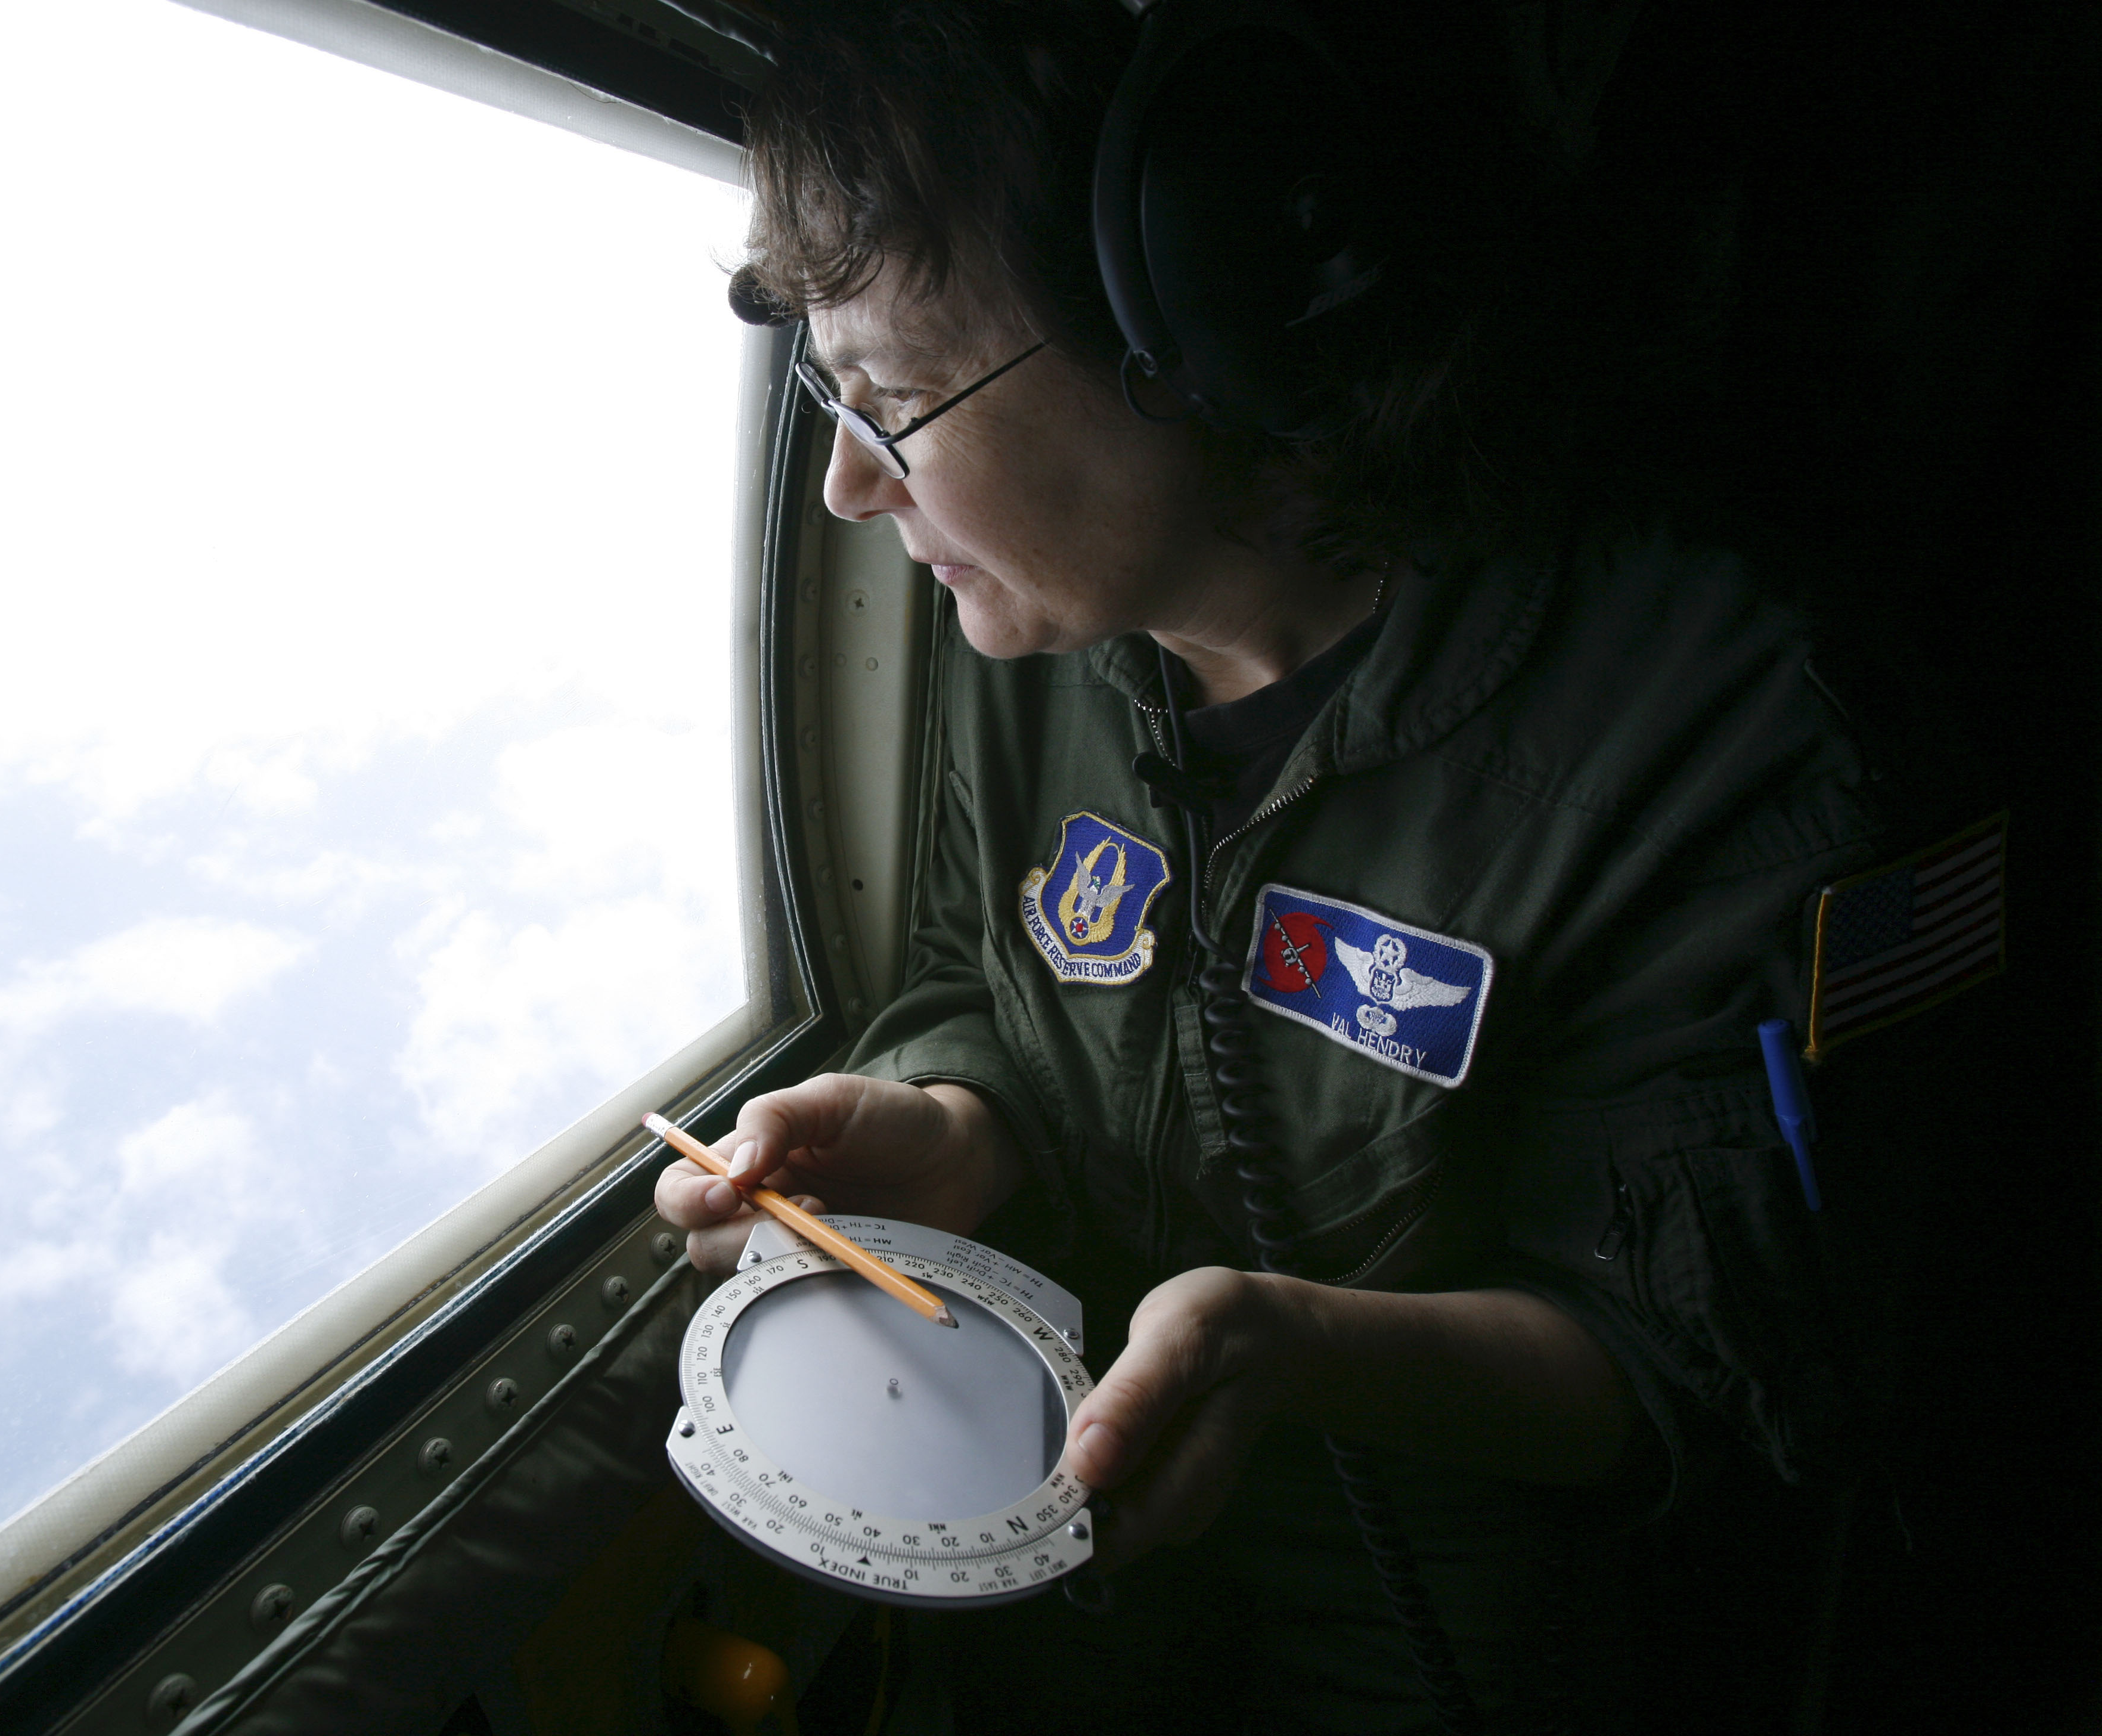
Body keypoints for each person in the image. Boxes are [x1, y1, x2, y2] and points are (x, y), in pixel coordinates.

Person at [653, 1, 1901, 1728]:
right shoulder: (1029, 653)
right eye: (828, 395)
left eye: (900, 398)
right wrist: (948, 1120)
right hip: (1068, 1619)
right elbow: (993, 977)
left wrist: (1294, 1350)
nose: (855, 491)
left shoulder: (1713, 725)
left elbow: (1678, 1368)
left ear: (1208, 310)